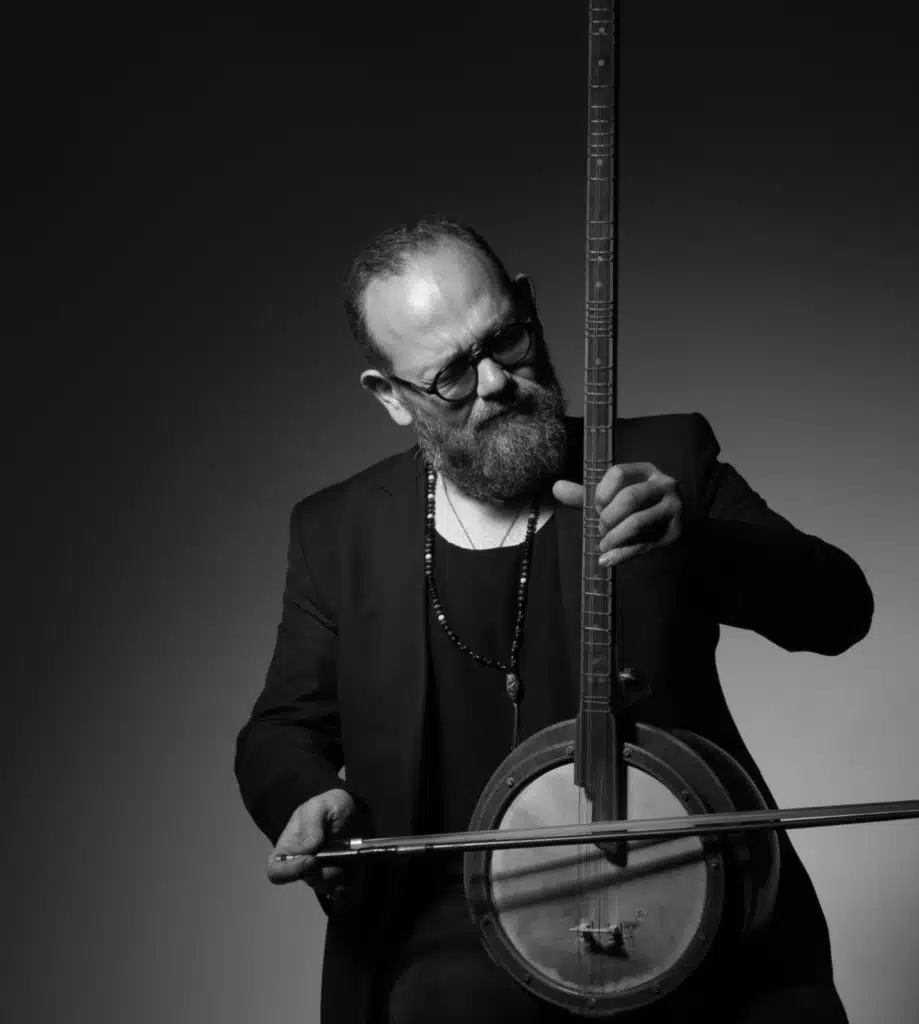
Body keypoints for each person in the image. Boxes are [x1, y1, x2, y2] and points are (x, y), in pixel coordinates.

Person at [234, 217, 874, 1023]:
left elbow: (839, 611)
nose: (496, 381)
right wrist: (307, 796)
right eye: (451, 374)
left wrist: (695, 542)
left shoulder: (666, 459)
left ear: (528, 305)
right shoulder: (338, 532)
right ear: (391, 397)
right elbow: (281, 730)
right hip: (458, 948)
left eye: (506, 339)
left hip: (692, 912)